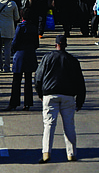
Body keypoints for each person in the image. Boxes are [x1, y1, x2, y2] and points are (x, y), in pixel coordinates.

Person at [35, 34, 86, 164]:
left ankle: (46, 152)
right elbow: (80, 82)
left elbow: (38, 77)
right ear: (66, 45)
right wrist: (80, 100)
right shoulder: (72, 60)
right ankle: (71, 153)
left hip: (50, 94)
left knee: (49, 125)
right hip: (68, 95)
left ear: (55, 44)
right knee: (69, 125)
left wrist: (40, 93)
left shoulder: (47, 58)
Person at [6, 5, 39, 111]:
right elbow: (36, 44)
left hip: (20, 55)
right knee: (28, 80)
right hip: (30, 54)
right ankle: (27, 103)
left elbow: (15, 42)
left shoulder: (20, 27)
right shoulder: (33, 27)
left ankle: (14, 102)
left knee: (16, 80)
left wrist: (14, 51)